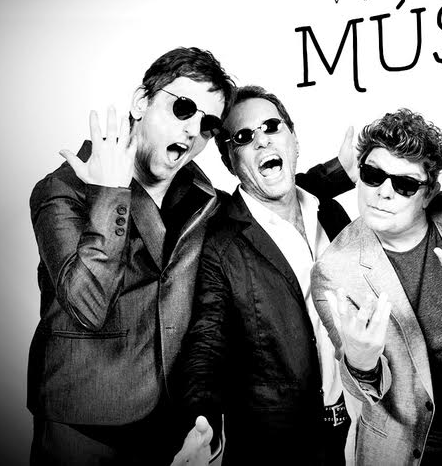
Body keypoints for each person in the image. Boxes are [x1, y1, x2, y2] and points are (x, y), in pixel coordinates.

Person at [28, 49, 353, 465]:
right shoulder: (62, 189)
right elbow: (87, 304)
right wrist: (110, 194)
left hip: (171, 420)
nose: (192, 130)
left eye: (207, 123)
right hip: (85, 422)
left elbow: (264, 200)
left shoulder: (200, 196)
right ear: (141, 102)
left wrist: (340, 174)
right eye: (182, 108)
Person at [177, 86, 355, 465]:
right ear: (230, 162)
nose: (261, 141)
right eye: (244, 137)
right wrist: (200, 420)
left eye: (271, 127)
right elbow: (206, 343)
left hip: (357, 432)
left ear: (293, 139)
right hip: (278, 450)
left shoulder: (332, 214)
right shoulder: (220, 243)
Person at [311, 109, 442, 465]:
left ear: (428, 194)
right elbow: (366, 391)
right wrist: (361, 360)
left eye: (405, 185)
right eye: (373, 175)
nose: (383, 193)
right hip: (408, 447)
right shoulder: (334, 271)